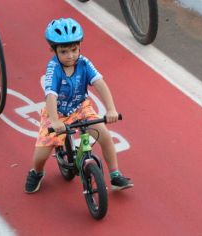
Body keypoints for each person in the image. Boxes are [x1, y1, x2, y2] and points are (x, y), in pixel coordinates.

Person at [24, 17, 134, 193]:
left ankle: (115, 175)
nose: (70, 56)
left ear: (79, 47)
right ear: (53, 50)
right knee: (41, 154)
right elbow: (50, 96)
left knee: (105, 136)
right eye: (64, 51)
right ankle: (36, 172)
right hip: (57, 113)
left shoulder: (84, 63)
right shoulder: (53, 68)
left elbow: (100, 84)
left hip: (80, 108)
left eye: (74, 50)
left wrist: (111, 109)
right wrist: (54, 121)